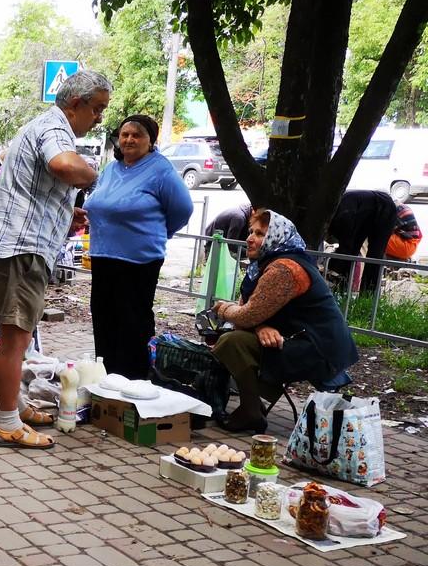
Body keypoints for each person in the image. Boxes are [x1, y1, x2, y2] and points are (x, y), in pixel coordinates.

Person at [0, 70, 111, 450]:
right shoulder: (56, 127)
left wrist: (64, 216)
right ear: (75, 103)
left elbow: (35, 190)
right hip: (19, 250)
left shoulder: (40, 126)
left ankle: (16, 409)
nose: (99, 118)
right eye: (97, 109)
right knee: (14, 342)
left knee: (15, 338)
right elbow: (65, 166)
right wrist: (95, 174)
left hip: (11, 247)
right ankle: (7, 425)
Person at [212, 209, 358, 432]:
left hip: (318, 348)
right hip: (299, 337)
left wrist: (223, 308)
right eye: (251, 231)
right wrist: (260, 325)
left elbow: (245, 314)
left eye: (260, 234)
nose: (250, 238)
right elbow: (251, 310)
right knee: (233, 337)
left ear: (276, 237)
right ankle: (252, 405)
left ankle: (251, 411)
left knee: (231, 342)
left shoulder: (284, 269)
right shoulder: (265, 263)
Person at [84, 114, 192, 379]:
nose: (129, 139)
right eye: (125, 134)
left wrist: (158, 233)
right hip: (103, 254)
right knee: (103, 315)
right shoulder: (111, 168)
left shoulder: (160, 170)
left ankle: (133, 378)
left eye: (137, 135)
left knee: (132, 319)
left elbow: (183, 210)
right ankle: (107, 375)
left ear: (150, 140)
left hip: (139, 259)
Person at [327, 189, 399, 292]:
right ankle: (342, 291)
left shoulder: (341, 217)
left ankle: (367, 296)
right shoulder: (339, 216)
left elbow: (345, 248)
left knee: (375, 257)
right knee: (351, 252)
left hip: (385, 207)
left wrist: (332, 270)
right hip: (363, 211)